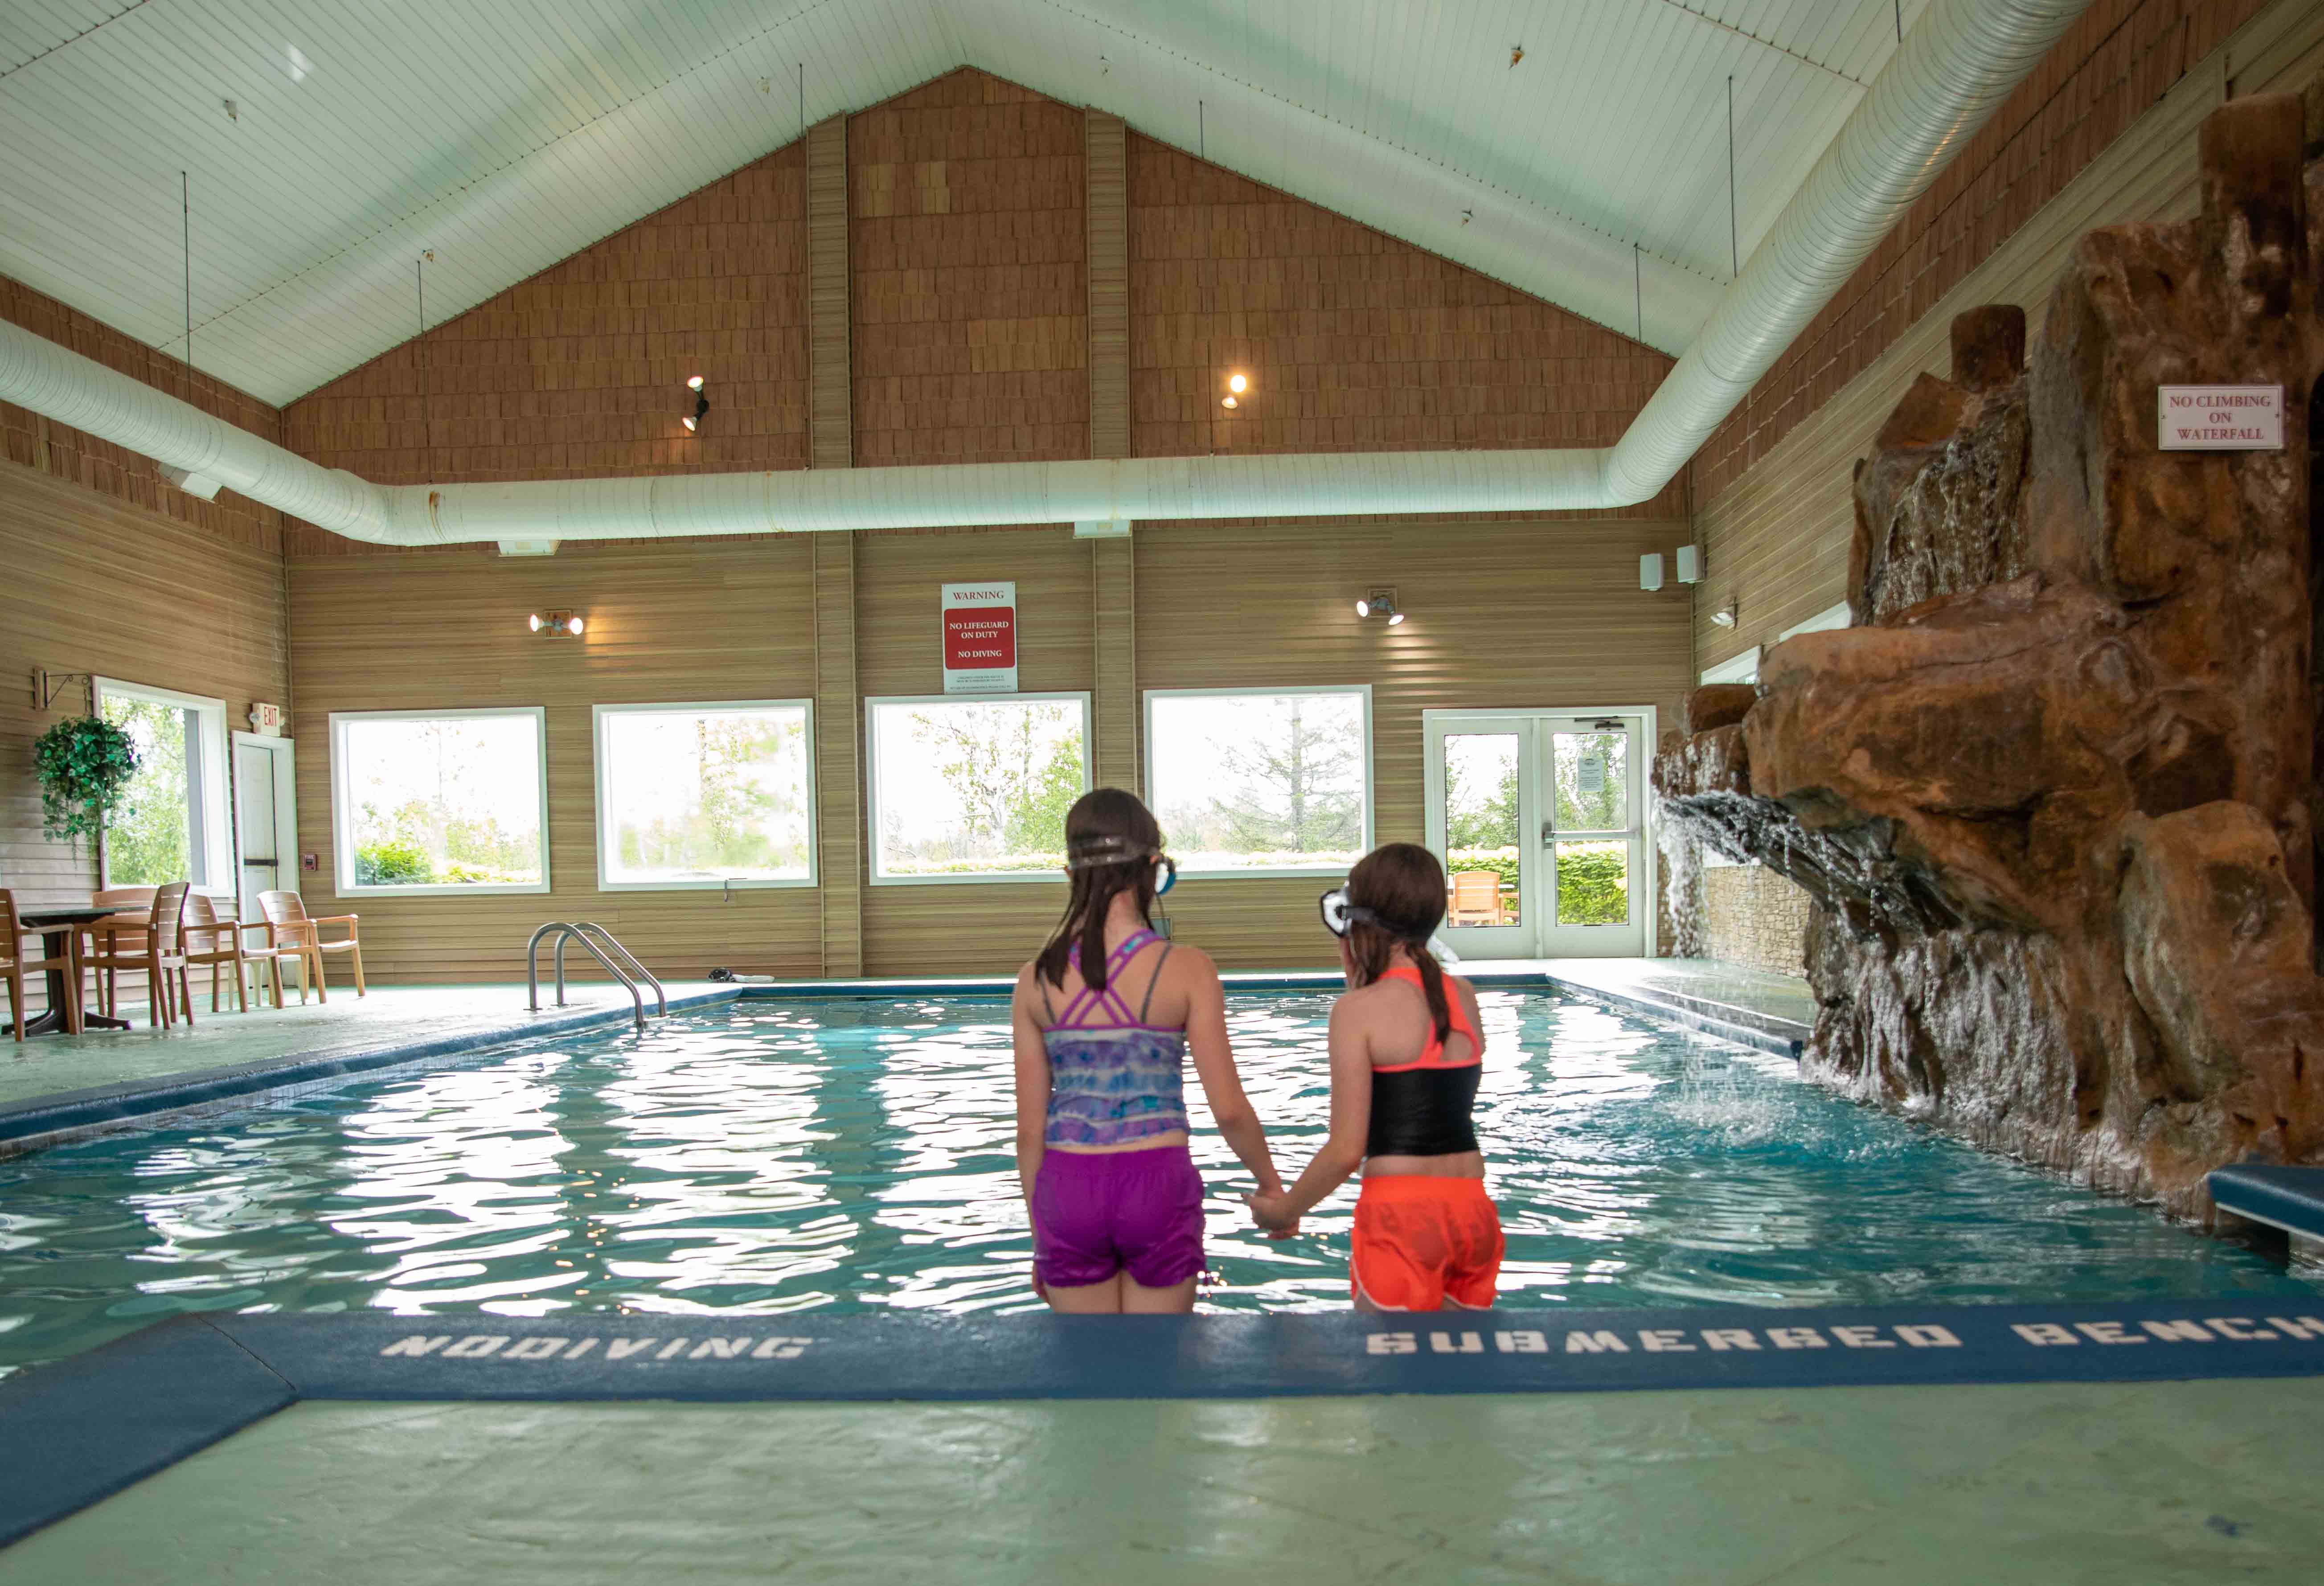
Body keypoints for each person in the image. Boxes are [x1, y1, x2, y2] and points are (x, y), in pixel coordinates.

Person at [1012, 788, 1287, 1313]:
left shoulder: (1035, 981)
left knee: (1087, 1373)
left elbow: (1029, 1134)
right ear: (1153, 868)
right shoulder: (1188, 970)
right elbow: (1228, 1109)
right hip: (1156, 1183)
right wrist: (1271, 1185)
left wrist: (1042, 1238)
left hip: (1069, 1187)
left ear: (1071, 875)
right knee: (1161, 1371)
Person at [1247, 842, 1502, 1311]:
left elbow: (1346, 1150)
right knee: (1463, 1370)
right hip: (1473, 1213)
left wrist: (1286, 1209)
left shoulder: (1356, 1012)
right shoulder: (1462, 997)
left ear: (1360, 920)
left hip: (1401, 1216)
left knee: (1388, 1375)